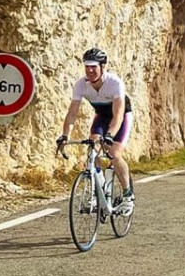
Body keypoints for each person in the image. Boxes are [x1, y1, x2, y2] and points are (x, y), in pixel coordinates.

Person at [57, 48, 134, 214]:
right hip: (101, 117)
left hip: (121, 117)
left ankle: (128, 196)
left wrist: (110, 135)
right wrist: (65, 136)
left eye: (93, 66)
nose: (90, 70)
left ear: (103, 66)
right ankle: (96, 191)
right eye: (87, 66)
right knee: (93, 148)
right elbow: (72, 113)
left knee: (113, 153)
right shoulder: (81, 85)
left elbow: (118, 115)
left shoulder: (114, 83)